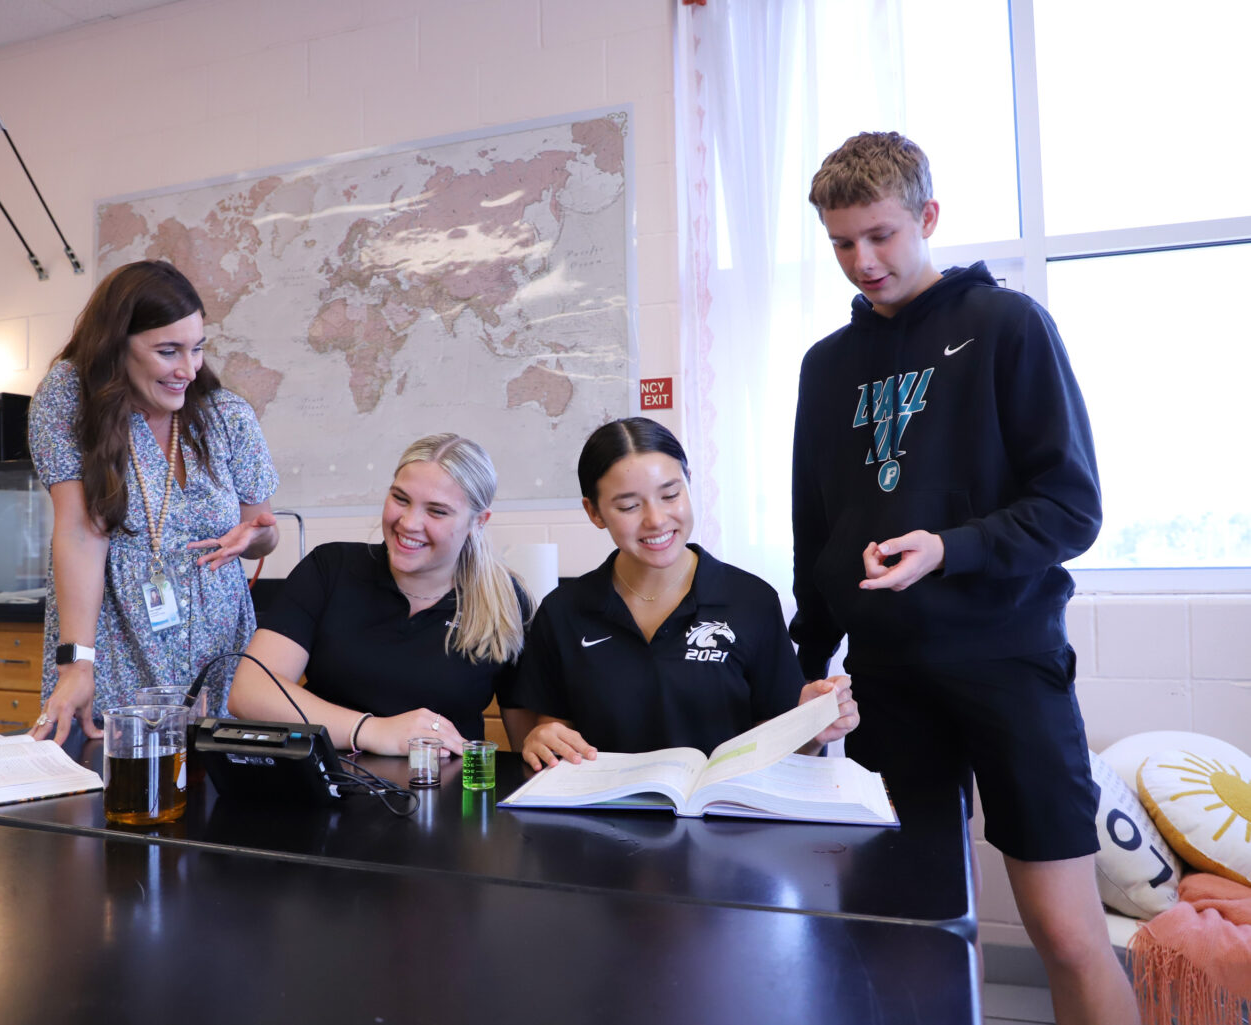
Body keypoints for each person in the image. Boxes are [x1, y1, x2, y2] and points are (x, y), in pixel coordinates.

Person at [791, 131, 1135, 1025]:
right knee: (905, 932)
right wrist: (806, 658)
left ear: (928, 218)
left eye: (880, 235)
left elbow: (1071, 508)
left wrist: (949, 547)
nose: (861, 262)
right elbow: (815, 534)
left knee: (1065, 932)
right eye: (840, 244)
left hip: (1008, 664)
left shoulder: (1007, 326)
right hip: (888, 685)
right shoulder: (826, 368)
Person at [511, 417, 858, 770]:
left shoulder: (751, 600)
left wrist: (813, 730)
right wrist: (542, 739)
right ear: (594, 512)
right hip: (603, 820)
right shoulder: (563, 611)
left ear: (690, 483)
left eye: (671, 494)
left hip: (724, 817)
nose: (657, 520)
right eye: (629, 506)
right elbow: (553, 733)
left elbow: (784, 749)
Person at [29, 260, 280, 744]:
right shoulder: (69, 396)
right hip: (114, 651)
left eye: (198, 348)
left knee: (224, 808)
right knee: (110, 800)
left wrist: (257, 536)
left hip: (219, 657)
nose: (188, 369)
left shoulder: (227, 415)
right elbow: (80, 531)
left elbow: (263, 532)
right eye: (168, 351)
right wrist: (77, 665)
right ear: (116, 344)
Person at [227, 434, 534, 756]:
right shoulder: (330, 569)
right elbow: (249, 692)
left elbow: (527, 745)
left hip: (446, 798)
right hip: (327, 793)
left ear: (478, 522)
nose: (409, 523)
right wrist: (371, 730)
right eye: (401, 499)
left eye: (437, 511)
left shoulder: (506, 602)